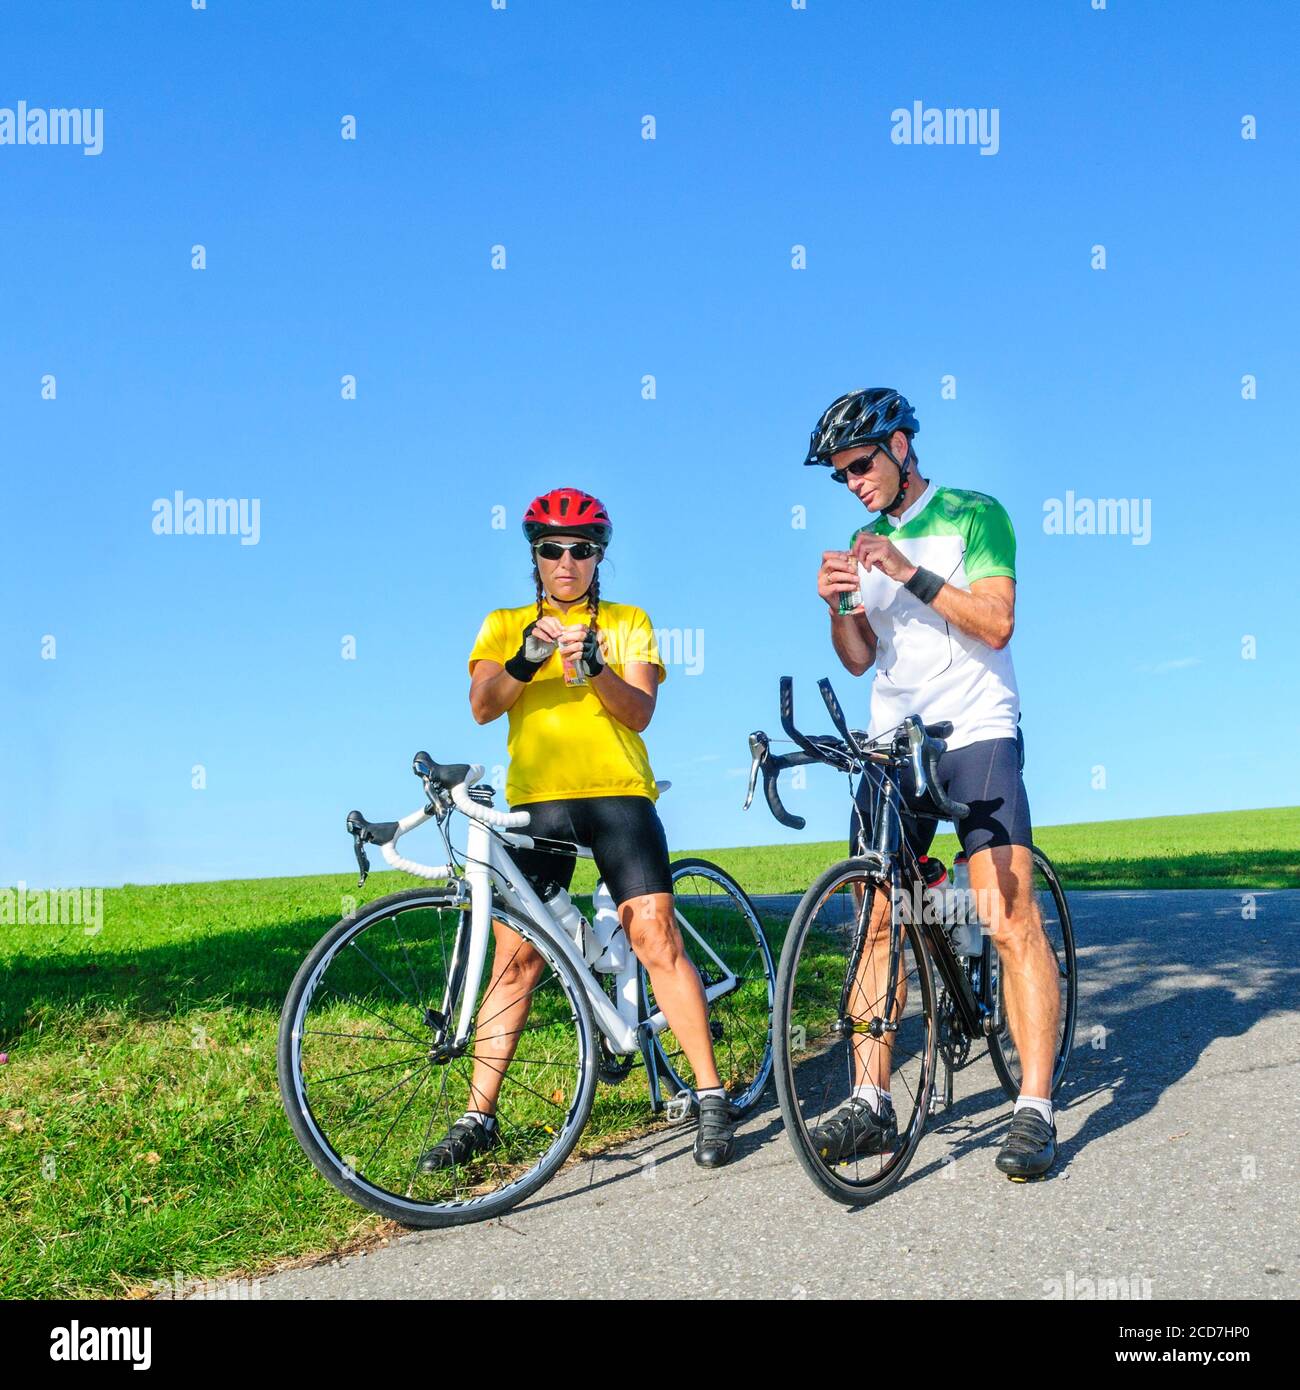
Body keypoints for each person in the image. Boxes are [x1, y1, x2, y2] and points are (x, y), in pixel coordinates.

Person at [418, 486, 738, 1171]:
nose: (567, 561)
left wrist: (594, 670)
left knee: (655, 936)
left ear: (599, 556)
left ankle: (710, 1096)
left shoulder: (628, 622)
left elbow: (639, 712)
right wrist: (528, 658)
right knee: (517, 959)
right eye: (552, 549)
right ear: (534, 555)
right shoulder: (505, 623)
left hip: (618, 794)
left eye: (582, 549)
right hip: (538, 802)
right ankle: (479, 1117)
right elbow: (481, 706)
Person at [808, 387, 1061, 1180]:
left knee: (1007, 912)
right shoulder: (861, 540)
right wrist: (835, 607)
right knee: (874, 915)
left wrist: (908, 570)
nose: (854, 481)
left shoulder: (975, 514)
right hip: (892, 742)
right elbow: (858, 657)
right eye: (841, 472)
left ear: (902, 446)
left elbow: (996, 622)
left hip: (977, 727)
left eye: (861, 463)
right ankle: (872, 1103)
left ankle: (1034, 1107)